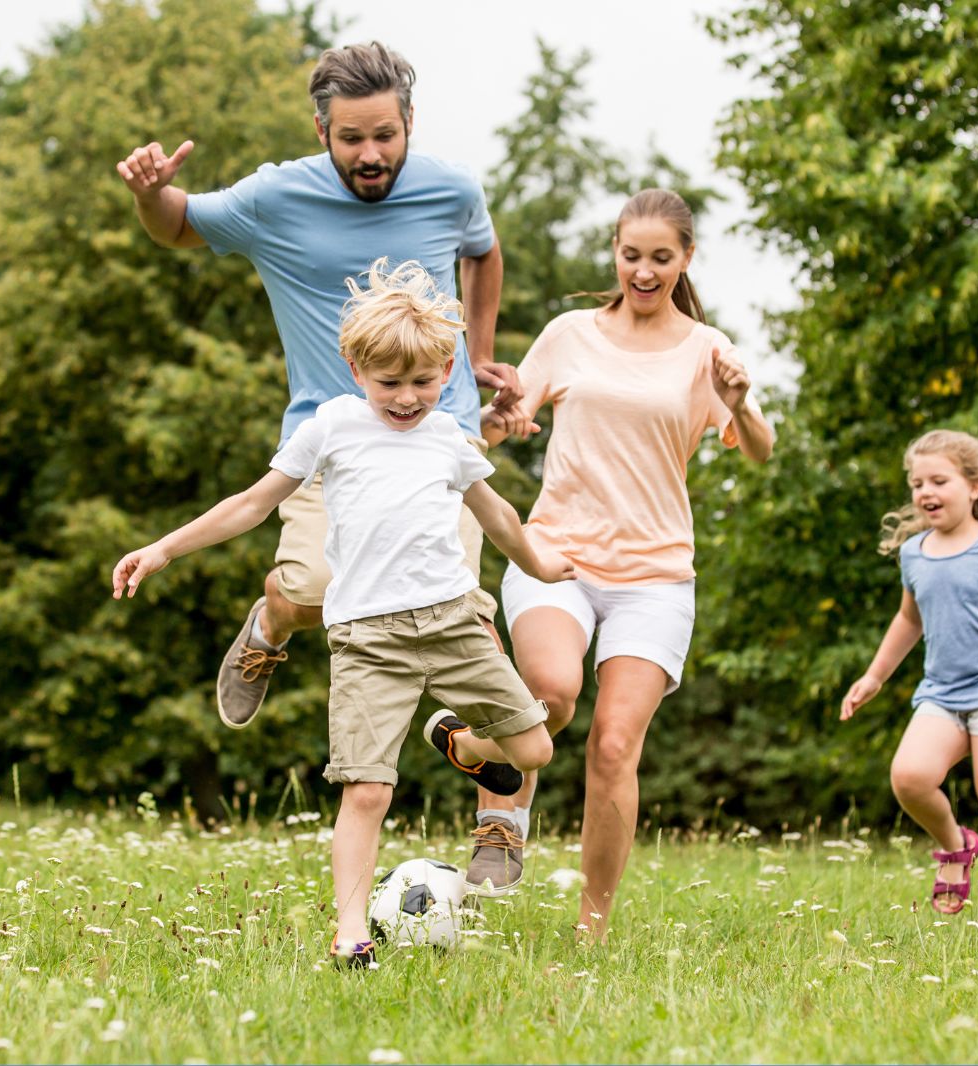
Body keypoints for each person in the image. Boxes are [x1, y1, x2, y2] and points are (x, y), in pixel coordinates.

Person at [111, 260, 571, 966]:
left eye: (423, 382)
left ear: (448, 370)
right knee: (366, 791)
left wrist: (540, 566)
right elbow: (252, 503)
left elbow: (498, 516)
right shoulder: (332, 427)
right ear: (355, 370)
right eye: (389, 383)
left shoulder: (449, 438)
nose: (407, 398)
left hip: (452, 625)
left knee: (534, 749)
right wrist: (164, 548)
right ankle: (350, 933)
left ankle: (462, 744)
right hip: (369, 640)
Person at [114, 41, 520, 731]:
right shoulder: (275, 198)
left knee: (463, 614)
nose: (371, 154)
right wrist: (150, 194)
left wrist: (477, 354)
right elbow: (177, 225)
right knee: (315, 593)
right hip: (329, 442)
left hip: (440, 431)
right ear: (321, 130)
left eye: (385, 135)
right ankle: (271, 621)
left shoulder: (452, 190)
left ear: (410, 122)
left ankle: (499, 792)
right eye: (352, 138)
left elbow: (482, 250)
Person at [476, 189, 774, 938]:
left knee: (614, 745)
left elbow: (760, 449)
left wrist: (739, 404)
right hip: (559, 554)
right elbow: (505, 422)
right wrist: (498, 419)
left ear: (686, 259)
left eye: (660, 258)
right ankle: (502, 817)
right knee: (550, 691)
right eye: (631, 255)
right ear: (614, 251)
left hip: (656, 577)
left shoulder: (707, 351)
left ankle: (593, 928)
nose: (644, 271)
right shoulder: (570, 334)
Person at [839, 429, 978, 920]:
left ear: (974, 487)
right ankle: (954, 845)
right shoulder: (914, 553)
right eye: (917, 483)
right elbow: (909, 620)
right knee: (909, 777)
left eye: (939, 481)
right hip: (942, 693)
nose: (926, 492)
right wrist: (874, 677)